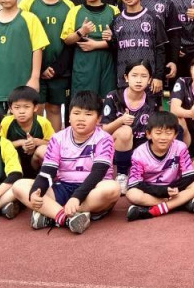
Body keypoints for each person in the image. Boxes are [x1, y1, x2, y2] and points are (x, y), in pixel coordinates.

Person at [10, 91, 121, 234]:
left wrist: (76, 197)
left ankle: (52, 214)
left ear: (98, 118)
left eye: (88, 114)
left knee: (113, 188)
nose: (81, 119)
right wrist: (37, 191)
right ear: (69, 116)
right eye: (76, 113)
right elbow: (47, 172)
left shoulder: (104, 139)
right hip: (62, 187)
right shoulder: (58, 138)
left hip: (92, 190)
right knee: (19, 186)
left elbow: (98, 174)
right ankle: (67, 218)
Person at [19, 0, 75, 130]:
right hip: (34, 69)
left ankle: (53, 144)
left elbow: (70, 40)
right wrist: (40, 68)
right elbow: (23, 39)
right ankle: (34, 143)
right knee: (35, 108)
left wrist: (56, 68)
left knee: (55, 108)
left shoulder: (69, 5)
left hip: (59, 70)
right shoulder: (27, 3)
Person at [125, 111, 194, 221]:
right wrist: (162, 191)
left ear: (175, 135)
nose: (163, 137)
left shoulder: (180, 147)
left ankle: (155, 209)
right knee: (132, 194)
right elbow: (135, 183)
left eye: (168, 133)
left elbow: (190, 176)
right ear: (148, 134)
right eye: (158, 133)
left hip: (176, 189)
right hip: (152, 191)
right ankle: (180, 204)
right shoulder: (139, 153)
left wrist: (173, 189)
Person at [101, 61, 160, 193]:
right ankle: (122, 175)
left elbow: (158, 126)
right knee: (125, 131)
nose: (139, 80)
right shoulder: (113, 96)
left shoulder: (153, 99)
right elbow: (104, 131)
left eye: (144, 76)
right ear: (126, 77)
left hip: (142, 146)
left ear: (149, 79)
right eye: (134, 75)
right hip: (116, 147)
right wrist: (120, 121)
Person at [61, 0, 120, 98]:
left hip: (107, 65)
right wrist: (81, 32)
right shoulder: (75, 11)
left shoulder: (114, 11)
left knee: (107, 101)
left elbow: (121, 40)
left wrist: (104, 41)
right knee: (84, 102)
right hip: (84, 65)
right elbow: (66, 40)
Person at [113, 0, 168, 95]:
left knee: (151, 106)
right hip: (124, 79)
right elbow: (114, 50)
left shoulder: (153, 18)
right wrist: (109, 40)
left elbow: (160, 49)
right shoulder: (116, 20)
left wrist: (158, 76)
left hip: (149, 79)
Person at [139, 0, 182, 85]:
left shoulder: (167, 2)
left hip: (159, 60)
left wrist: (173, 60)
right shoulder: (129, 0)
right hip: (131, 58)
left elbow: (174, 35)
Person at [0, 86, 55, 178]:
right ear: (11, 109)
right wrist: (21, 142)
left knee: (44, 150)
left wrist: (36, 142)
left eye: (26, 107)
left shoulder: (43, 122)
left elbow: (55, 144)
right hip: (12, 164)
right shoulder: (6, 122)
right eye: (17, 107)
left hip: (35, 162)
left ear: (35, 107)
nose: (21, 111)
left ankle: (46, 178)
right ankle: (11, 178)